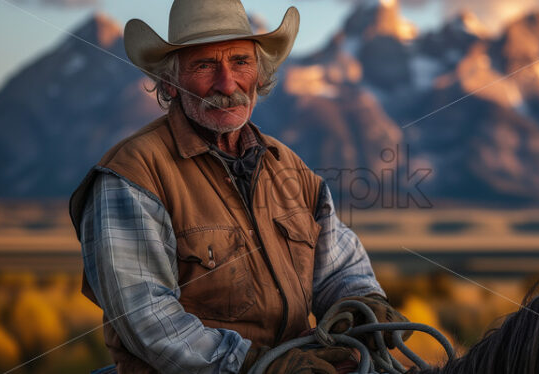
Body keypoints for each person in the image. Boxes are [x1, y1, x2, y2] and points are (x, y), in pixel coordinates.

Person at [68, 1, 410, 373]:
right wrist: (257, 365)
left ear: (259, 75)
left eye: (240, 62)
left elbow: (339, 266)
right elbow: (149, 319)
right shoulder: (132, 176)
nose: (227, 83)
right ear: (170, 82)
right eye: (204, 65)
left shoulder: (289, 167)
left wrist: (361, 302)